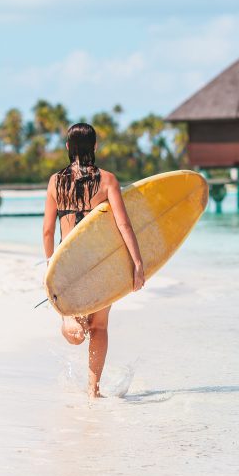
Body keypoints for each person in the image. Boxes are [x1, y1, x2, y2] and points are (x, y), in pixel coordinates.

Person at [42, 123, 145, 398]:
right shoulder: (108, 180)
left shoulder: (55, 182)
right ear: (95, 147)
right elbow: (123, 225)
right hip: (99, 264)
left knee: (76, 332)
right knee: (99, 326)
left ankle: (69, 319)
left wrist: (50, 266)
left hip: (67, 263)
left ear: (67, 148)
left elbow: (48, 230)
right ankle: (93, 390)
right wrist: (137, 263)